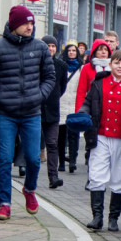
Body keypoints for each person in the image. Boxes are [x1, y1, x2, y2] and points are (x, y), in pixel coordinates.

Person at [0, 6, 56, 220]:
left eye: (31, 23)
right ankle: (4, 204)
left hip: (31, 113)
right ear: (14, 25)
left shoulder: (39, 47)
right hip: (5, 113)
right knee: (3, 158)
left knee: (32, 158)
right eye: (25, 23)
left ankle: (29, 190)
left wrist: (39, 96)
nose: (30, 26)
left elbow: (50, 77)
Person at [78, 50, 121, 231]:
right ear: (110, 64)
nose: (120, 66)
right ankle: (97, 217)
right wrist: (82, 114)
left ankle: (113, 219)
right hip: (100, 136)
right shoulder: (98, 83)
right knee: (96, 176)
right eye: (117, 63)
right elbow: (87, 103)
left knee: (119, 179)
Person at [39, 36, 67, 190]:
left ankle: (53, 176)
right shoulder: (35, 63)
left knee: (52, 144)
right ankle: (25, 170)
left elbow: (62, 88)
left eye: (53, 46)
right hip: (34, 110)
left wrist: (53, 97)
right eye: (47, 45)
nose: (50, 49)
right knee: (30, 144)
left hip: (52, 111)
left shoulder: (61, 65)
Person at [57, 41, 83, 174]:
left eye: (74, 50)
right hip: (61, 102)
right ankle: (61, 162)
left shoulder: (81, 68)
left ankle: (72, 161)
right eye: (69, 51)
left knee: (74, 135)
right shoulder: (61, 66)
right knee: (61, 136)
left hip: (75, 104)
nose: (71, 53)